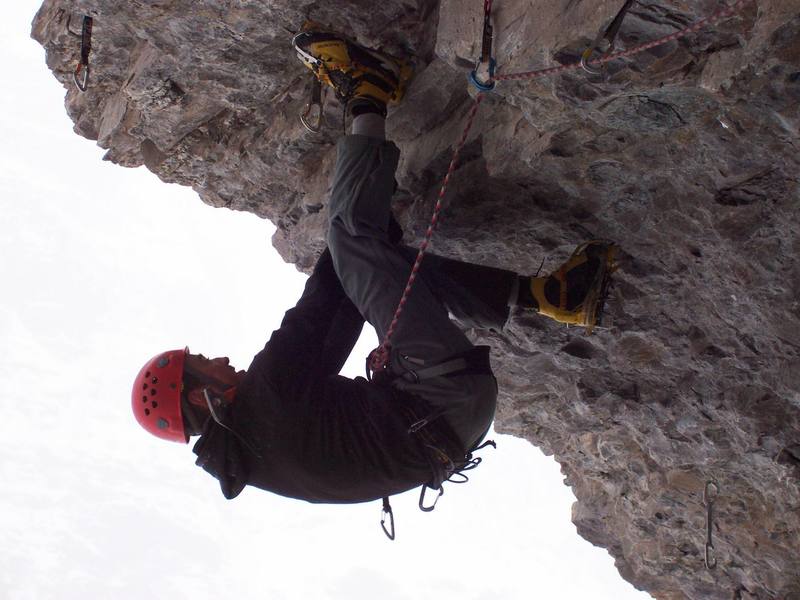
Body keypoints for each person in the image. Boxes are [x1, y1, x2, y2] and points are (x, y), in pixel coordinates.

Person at [132, 24, 616, 535]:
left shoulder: (259, 454)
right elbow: (325, 304)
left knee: (373, 258)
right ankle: (368, 90)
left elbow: (345, 314)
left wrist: (373, 239)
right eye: (203, 363)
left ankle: (553, 296)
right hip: (436, 397)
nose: (220, 359)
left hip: (453, 417)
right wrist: (363, 229)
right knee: (349, 239)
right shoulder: (264, 405)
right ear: (195, 394)